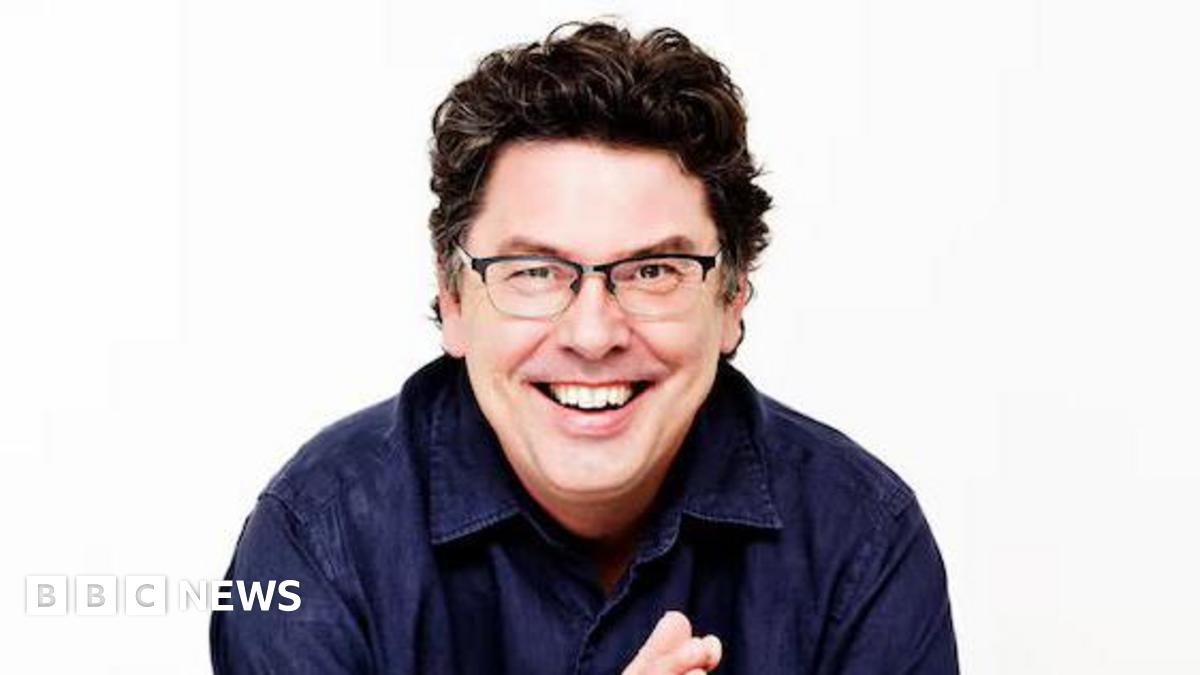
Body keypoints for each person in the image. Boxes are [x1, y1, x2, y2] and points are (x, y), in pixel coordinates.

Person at [210, 21, 958, 674]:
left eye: (653, 270)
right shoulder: (318, 537)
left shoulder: (861, 538)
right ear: (453, 299)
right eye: (535, 271)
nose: (593, 333)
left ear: (731, 299)